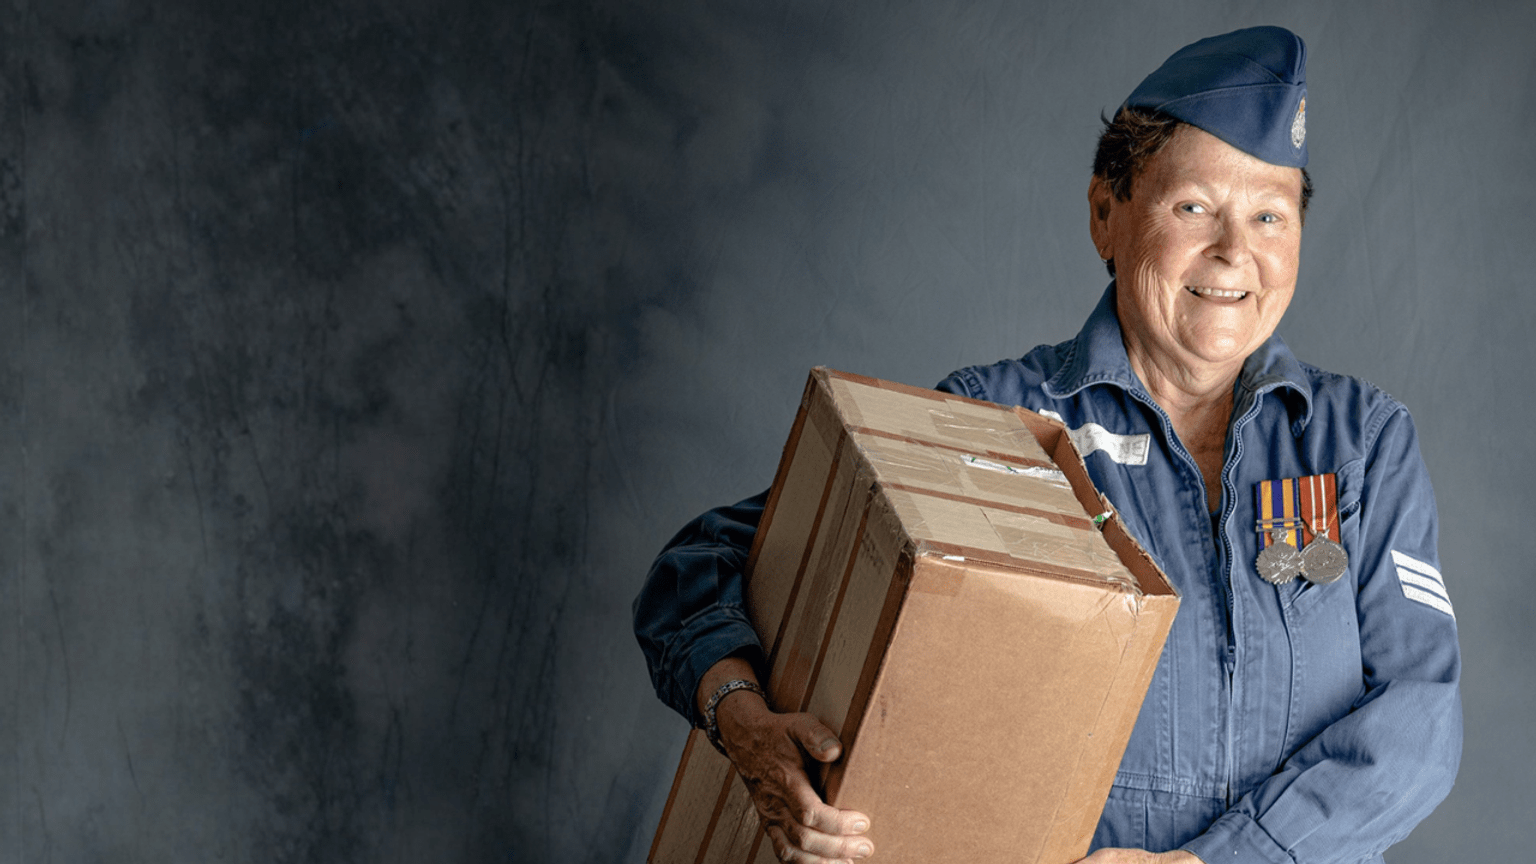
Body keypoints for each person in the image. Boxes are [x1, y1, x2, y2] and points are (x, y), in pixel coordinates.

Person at [633, 26, 1461, 864]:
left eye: (1270, 216)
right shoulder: (1001, 424)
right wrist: (740, 715)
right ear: (1107, 212)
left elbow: (1419, 719)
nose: (1235, 252)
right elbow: (702, 565)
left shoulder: (1359, 444)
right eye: (1195, 207)